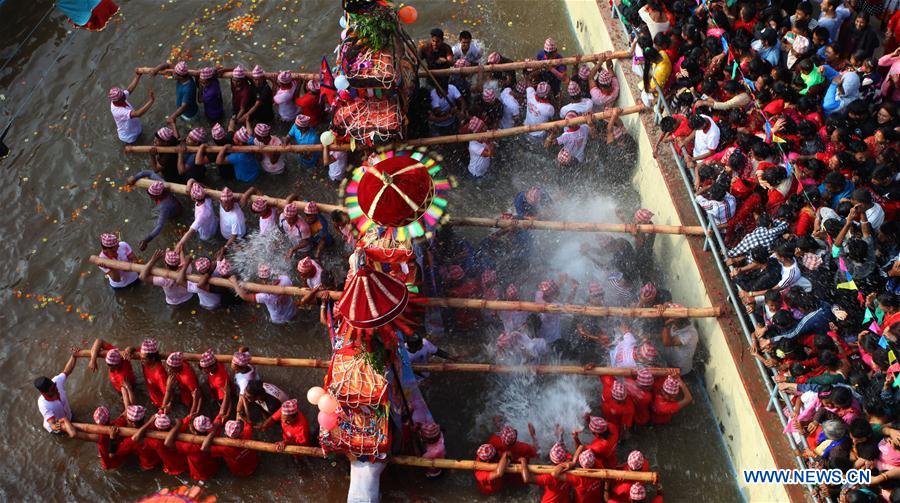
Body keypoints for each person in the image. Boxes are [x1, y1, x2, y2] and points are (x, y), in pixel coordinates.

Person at [124, 174, 183, 251]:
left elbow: (159, 226)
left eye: (152, 196)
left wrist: (146, 240)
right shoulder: (161, 184)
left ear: (158, 196)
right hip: (175, 204)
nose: (150, 197)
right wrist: (134, 178)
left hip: (174, 214)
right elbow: (149, 173)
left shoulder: (164, 207)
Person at [230, 265, 297, 324]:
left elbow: (244, 296)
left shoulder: (265, 296)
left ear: (263, 280)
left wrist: (235, 283)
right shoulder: (285, 279)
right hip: (292, 311)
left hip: (279, 319)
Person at [35, 350, 77, 436]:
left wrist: (73, 356)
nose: (56, 389)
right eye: (52, 389)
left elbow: (67, 371)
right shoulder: (43, 404)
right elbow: (52, 424)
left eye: (55, 386)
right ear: (45, 393)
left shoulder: (56, 382)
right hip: (60, 426)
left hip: (68, 415)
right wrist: (56, 426)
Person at [108, 73, 155, 143]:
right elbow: (138, 114)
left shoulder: (120, 98)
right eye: (123, 97)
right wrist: (151, 101)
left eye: (123, 95)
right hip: (129, 137)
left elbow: (129, 89)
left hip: (134, 129)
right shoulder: (118, 111)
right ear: (117, 101)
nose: (125, 96)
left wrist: (138, 76)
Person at [171, 415, 221, 480]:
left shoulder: (188, 446)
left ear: (193, 430)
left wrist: (178, 425)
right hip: (213, 468)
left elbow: (168, 443)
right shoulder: (214, 436)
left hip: (198, 475)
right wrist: (214, 430)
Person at [87, 339, 135, 405]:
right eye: (107, 364)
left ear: (117, 364)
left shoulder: (123, 375)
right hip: (119, 385)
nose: (108, 366)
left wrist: (126, 408)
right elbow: (99, 341)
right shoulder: (115, 353)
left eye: (110, 365)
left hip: (126, 388)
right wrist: (93, 360)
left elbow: (129, 402)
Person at [126, 338, 168, 408]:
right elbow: (136, 349)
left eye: (144, 359)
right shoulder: (145, 358)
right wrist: (130, 349)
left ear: (153, 359)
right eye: (141, 357)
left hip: (160, 404)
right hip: (152, 397)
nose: (141, 360)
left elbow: (168, 393)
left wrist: (162, 409)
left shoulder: (159, 374)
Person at [176, 179, 218, 248]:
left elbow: (190, 231)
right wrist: (190, 182)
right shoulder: (208, 198)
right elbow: (194, 181)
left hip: (206, 235)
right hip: (214, 223)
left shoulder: (201, 215)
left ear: (193, 198)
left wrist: (180, 244)